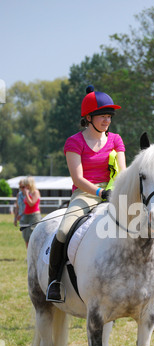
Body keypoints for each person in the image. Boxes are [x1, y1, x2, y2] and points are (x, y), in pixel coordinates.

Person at [46, 86, 126, 302]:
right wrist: (101, 192)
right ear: (89, 117)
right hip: (85, 193)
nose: (107, 120)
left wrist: (114, 190)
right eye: (103, 116)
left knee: (143, 224)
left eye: (109, 116)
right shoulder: (74, 142)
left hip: (114, 191)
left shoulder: (116, 140)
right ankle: (54, 281)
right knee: (63, 231)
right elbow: (77, 179)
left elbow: (123, 171)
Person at [22, 176, 42, 248]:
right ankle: (28, 254)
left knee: (31, 234)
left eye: (27, 185)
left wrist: (27, 194)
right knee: (25, 235)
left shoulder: (35, 192)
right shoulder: (28, 193)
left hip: (34, 216)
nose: (25, 187)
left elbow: (31, 203)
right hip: (26, 216)